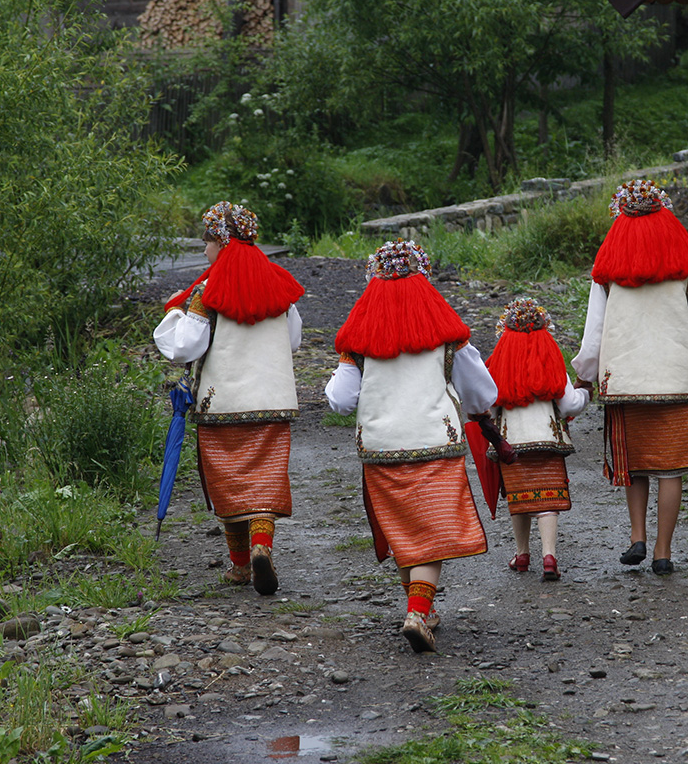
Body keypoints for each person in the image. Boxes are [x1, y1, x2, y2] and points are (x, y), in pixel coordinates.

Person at [324, 240, 497, 653]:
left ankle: (421, 607)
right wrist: (479, 414)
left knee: (402, 527)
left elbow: (341, 400)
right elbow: (481, 392)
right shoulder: (447, 335)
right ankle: (418, 613)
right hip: (435, 440)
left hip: (381, 446)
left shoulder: (359, 339)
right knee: (430, 530)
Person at [571, 180, 688, 575]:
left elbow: (595, 334)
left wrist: (585, 377)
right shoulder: (686, 274)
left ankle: (637, 537)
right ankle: (663, 552)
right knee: (671, 468)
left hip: (625, 382)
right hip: (675, 381)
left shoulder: (607, 275)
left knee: (635, 464)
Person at [152, 201, 304, 596]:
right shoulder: (280, 286)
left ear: (222, 242)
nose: (204, 250)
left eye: (206, 242)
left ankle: (239, 566)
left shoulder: (207, 292)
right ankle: (261, 547)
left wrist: (175, 312)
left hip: (221, 406)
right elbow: (292, 341)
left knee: (228, 482)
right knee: (265, 480)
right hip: (272, 403)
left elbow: (185, 348)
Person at [484, 297, 589, 581]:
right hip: (548, 439)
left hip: (512, 443)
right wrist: (585, 393)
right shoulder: (551, 361)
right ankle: (549, 556)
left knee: (518, 494)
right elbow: (569, 405)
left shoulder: (499, 366)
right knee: (547, 498)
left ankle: (522, 554)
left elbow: (488, 408)